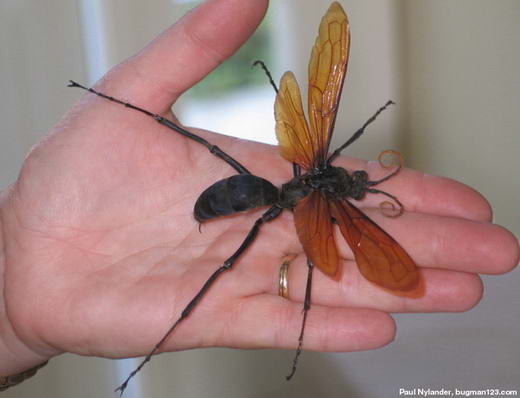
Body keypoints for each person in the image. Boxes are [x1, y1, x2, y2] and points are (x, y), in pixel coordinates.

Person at [0, 0, 518, 390]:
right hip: (246, 194)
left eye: (359, 186)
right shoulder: (330, 201)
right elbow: (322, 238)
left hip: (252, 193)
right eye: (359, 186)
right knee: (263, 257)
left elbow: (321, 165)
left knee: (259, 255)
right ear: (347, 191)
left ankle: (153, 344)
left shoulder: (315, 172)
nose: (359, 186)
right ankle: (122, 105)